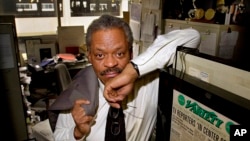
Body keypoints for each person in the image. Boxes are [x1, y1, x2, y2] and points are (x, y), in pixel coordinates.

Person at [50, 14, 201, 141]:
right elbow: (58, 137)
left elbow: (193, 37)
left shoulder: (150, 83)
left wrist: (132, 72)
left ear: (131, 53)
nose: (110, 63)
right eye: (100, 55)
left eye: (119, 53)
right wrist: (77, 132)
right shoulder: (79, 92)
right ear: (89, 56)